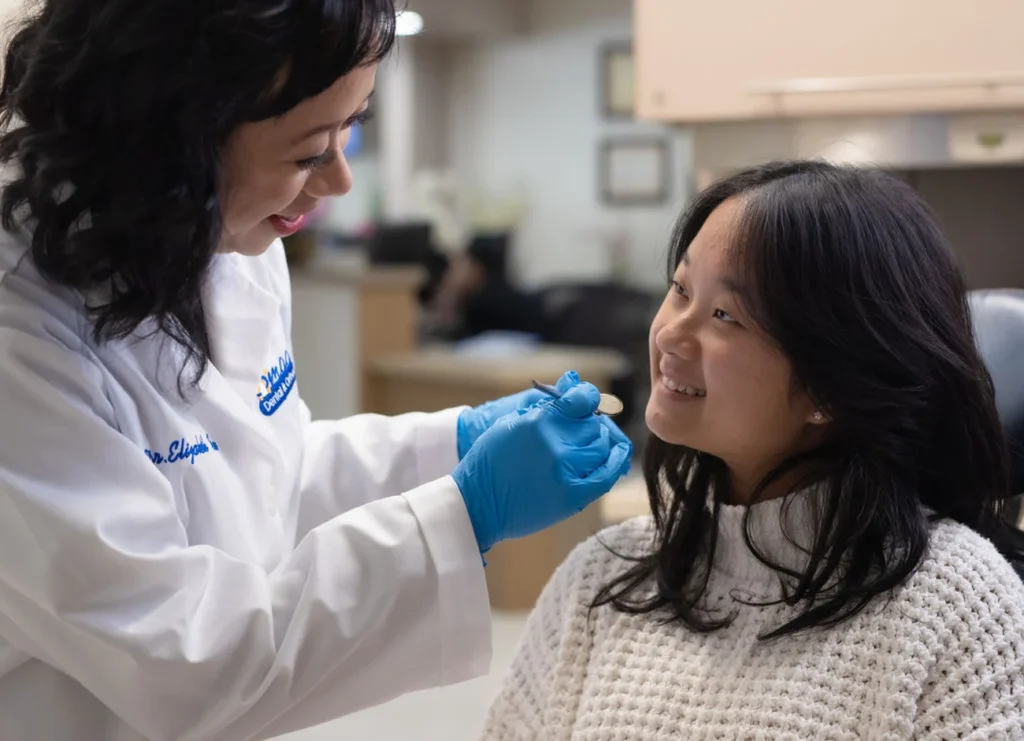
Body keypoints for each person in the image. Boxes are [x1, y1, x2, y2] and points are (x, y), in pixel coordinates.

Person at [0, 2, 633, 740]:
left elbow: (264, 475)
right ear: (172, 141)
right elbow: (188, 661)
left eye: (350, 127)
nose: (338, 180)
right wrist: (467, 510)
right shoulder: (21, 335)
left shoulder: (228, 242)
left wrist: (449, 446)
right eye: (308, 153)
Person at [480, 161, 1024, 739]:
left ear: (830, 386)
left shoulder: (961, 608)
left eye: (725, 315)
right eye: (681, 289)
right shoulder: (602, 576)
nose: (669, 334)